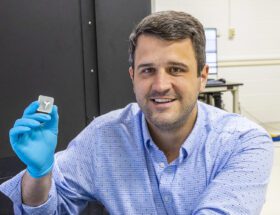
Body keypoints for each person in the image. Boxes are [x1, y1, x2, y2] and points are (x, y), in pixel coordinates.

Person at [0, 11, 274, 215]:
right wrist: (39, 174)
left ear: (202, 77)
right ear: (132, 76)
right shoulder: (103, 137)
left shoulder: (244, 143)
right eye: (147, 70)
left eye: (176, 69)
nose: (160, 85)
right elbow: (47, 208)